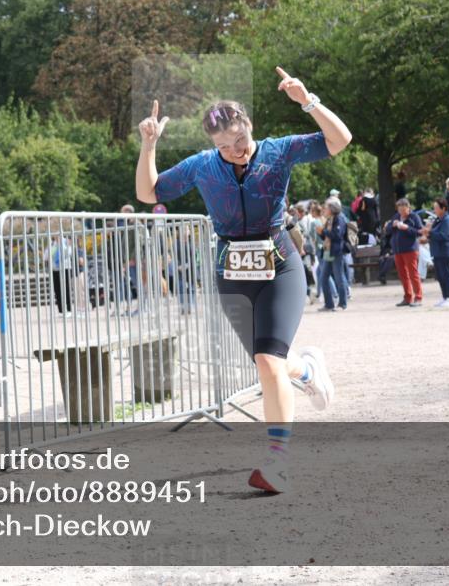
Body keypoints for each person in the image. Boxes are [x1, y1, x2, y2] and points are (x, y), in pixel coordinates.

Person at [135, 66, 350, 494]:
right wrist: (149, 146)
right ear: (212, 144)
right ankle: (306, 371)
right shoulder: (202, 166)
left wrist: (308, 101)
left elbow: (339, 140)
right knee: (267, 362)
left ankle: (277, 462)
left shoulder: (278, 151)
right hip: (231, 271)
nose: (236, 150)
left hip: (280, 261)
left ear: (250, 127)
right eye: (224, 145)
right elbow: (148, 193)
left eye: (240, 140)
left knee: (268, 362)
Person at [383, 198, 424, 307]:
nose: (401, 212)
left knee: (413, 274)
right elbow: (387, 229)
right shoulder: (396, 216)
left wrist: (406, 228)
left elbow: (419, 232)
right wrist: (392, 225)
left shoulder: (414, 217)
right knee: (402, 275)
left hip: (410, 250)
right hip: (397, 250)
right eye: (399, 210)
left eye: (403, 210)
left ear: (408, 208)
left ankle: (418, 298)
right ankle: (408, 297)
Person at [421, 198, 449, 307]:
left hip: (445, 252)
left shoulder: (447, 220)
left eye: (437, 208)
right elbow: (433, 234)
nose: (435, 210)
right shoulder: (438, 219)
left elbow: (443, 235)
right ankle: (445, 297)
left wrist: (430, 232)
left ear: (444, 208)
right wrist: (427, 233)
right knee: (440, 276)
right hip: (437, 252)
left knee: (446, 275)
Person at [319, 198, 348, 312]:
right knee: (323, 278)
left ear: (332, 209)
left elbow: (337, 235)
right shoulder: (329, 220)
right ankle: (329, 304)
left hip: (336, 252)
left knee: (339, 278)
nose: (324, 209)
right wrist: (321, 232)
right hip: (327, 251)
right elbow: (325, 236)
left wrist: (324, 231)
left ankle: (342, 303)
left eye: (326, 207)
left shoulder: (339, 219)